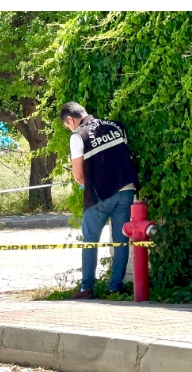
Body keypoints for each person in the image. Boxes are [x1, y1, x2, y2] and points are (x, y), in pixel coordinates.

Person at [60, 102, 139, 299]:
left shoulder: (78, 136)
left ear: (70, 119)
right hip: (126, 190)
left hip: (99, 196)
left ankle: (87, 287)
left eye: (67, 125)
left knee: (90, 241)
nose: (69, 128)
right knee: (121, 241)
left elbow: (79, 175)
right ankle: (115, 288)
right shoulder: (116, 125)